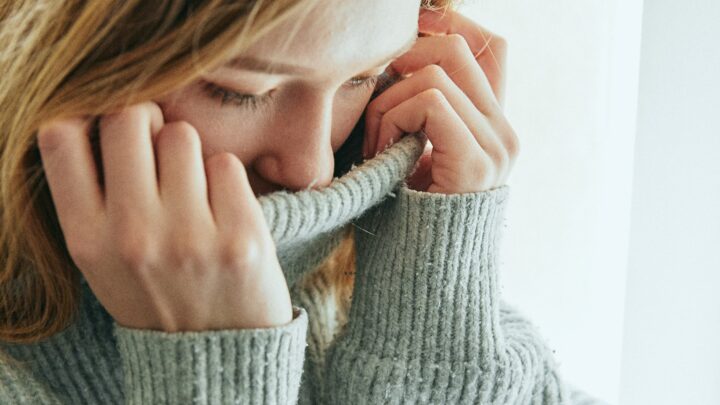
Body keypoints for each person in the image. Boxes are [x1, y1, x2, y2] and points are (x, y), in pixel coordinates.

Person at [0, 0, 604, 403]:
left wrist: (437, 320)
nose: (312, 167)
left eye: (363, 76)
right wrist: (217, 373)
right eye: (241, 92)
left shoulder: (379, 253)